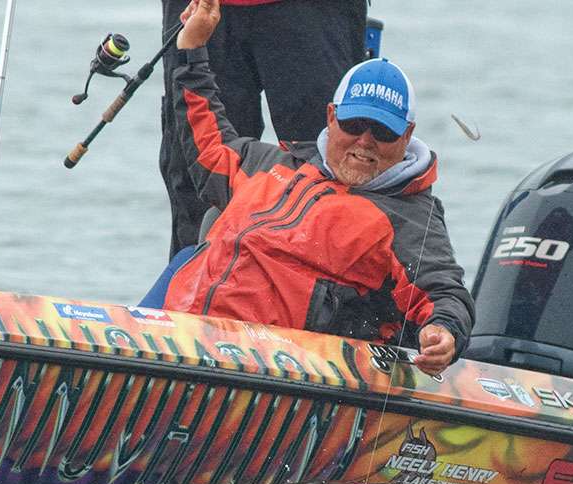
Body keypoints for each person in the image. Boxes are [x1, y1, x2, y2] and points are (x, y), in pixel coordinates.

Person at [164, 0, 474, 376]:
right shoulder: (272, 164)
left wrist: (444, 331)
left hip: (278, 366)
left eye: (382, 131)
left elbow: (443, 291)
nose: (364, 141)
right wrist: (191, 52)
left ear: (407, 136)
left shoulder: (407, 215)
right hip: (184, 337)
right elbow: (206, 138)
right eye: (354, 124)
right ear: (331, 117)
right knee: (187, 253)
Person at [159, 0, 367, 259]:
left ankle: (334, 295)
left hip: (317, 11)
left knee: (335, 175)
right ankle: (191, 290)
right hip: (202, 7)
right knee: (195, 183)